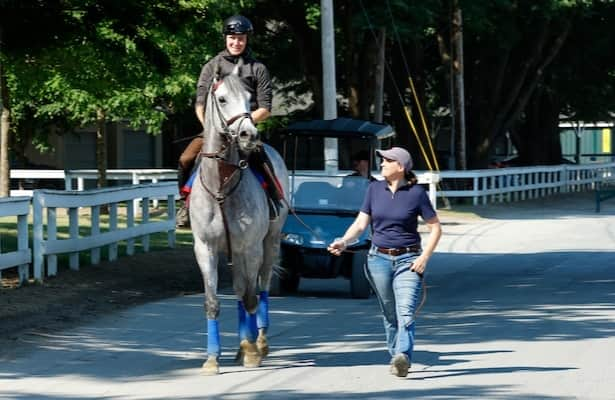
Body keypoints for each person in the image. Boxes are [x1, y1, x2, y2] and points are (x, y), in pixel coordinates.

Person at [327, 146, 442, 378]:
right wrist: (344, 241)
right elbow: (360, 224)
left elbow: (436, 227)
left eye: (386, 160)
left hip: (409, 259)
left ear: (400, 167)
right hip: (378, 259)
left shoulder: (417, 193)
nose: (381, 164)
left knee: (406, 312)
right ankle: (395, 355)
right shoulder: (373, 189)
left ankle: (403, 356)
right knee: (390, 313)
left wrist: (424, 257)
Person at [176, 14, 276, 227]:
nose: (236, 42)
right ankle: (185, 204)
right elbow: (200, 105)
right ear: (226, 38)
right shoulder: (211, 67)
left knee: (263, 161)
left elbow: (265, 108)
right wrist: (212, 128)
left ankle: (274, 200)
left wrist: (241, 124)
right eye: (232, 37)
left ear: (247, 39)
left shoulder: (258, 69)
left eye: (241, 38)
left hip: (245, 130)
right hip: (214, 129)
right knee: (186, 159)